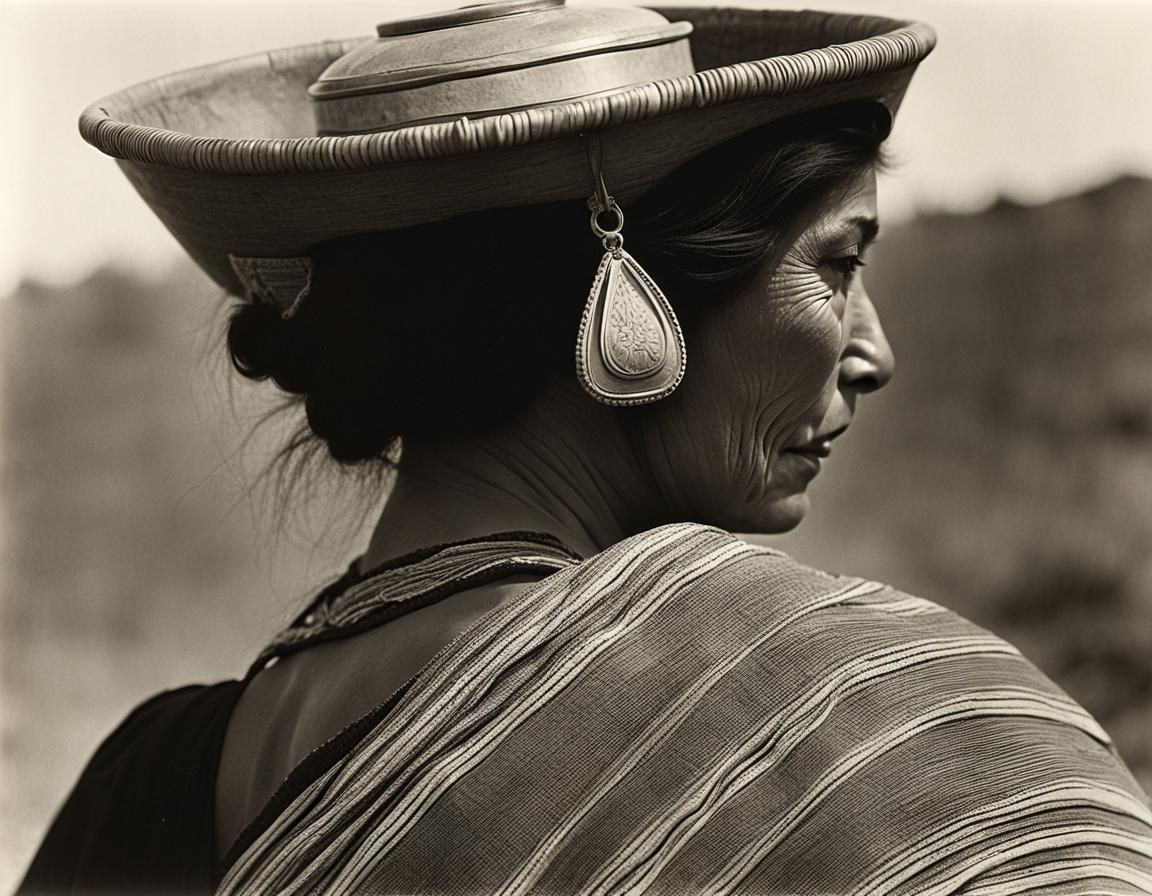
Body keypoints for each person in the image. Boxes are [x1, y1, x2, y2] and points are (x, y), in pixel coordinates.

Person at [22, 2, 1152, 894]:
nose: (873, 350)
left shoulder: (151, 787)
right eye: (839, 264)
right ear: (631, 290)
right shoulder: (854, 725)